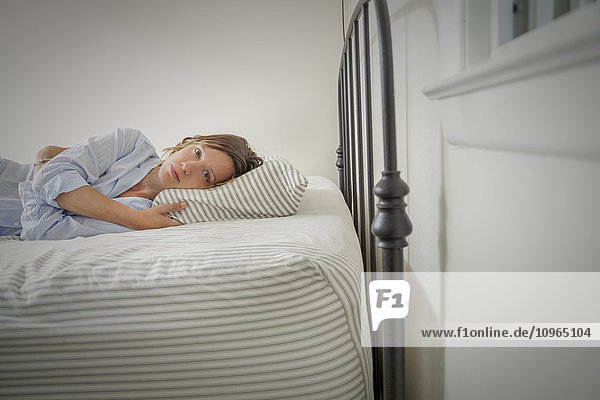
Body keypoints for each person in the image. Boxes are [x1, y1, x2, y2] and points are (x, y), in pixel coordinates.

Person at [0, 128, 262, 240]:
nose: (187, 167)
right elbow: (49, 185)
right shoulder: (130, 143)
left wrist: (43, 165)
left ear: (211, 190)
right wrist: (135, 219)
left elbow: (42, 233)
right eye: (197, 153)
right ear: (189, 142)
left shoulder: (153, 216)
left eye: (206, 175)